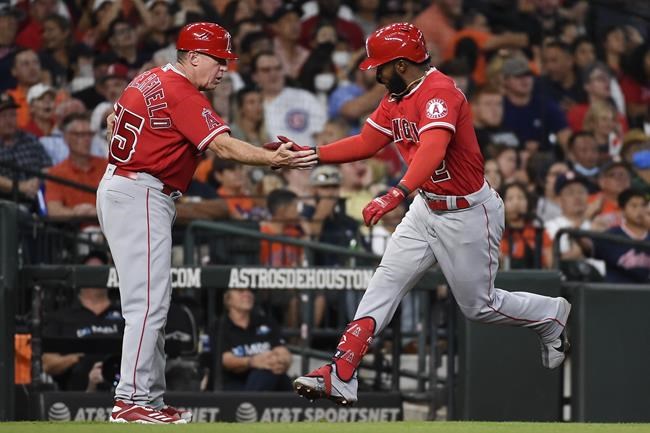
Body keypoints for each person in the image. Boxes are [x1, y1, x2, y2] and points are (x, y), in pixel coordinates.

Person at [289, 23, 571, 406]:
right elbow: (367, 142)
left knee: (479, 307)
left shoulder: (440, 92)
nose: (375, 73)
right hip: (426, 207)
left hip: (468, 212)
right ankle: (341, 373)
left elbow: (433, 149)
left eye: (381, 66)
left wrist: (395, 193)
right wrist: (312, 154)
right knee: (384, 283)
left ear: (402, 64)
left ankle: (549, 314)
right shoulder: (397, 95)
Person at [97, 22, 317, 424]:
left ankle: (147, 399)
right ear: (194, 57)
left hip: (127, 185)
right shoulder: (181, 90)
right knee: (147, 304)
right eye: (218, 60)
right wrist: (272, 159)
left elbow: (113, 122)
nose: (224, 69)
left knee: (153, 303)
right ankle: (129, 399)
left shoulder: (150, 77)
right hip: (140, 191)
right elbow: (221, 145)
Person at [42, 251, 124, 392]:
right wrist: (77, 358)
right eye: (91, 270)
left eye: (100, 269)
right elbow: (47, 364)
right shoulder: (62, 316)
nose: (96, 275)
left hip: (122, 386)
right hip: (76, 395)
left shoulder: (125, 313)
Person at [216, 288, 292, 391]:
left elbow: (283, 351)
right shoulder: (219, 326)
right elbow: (225, 360)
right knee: (263, 373)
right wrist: (252, 361)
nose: (247, 294)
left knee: (277, 375)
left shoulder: (266, 322)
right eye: (240, 291)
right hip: (235, 383)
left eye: (250, 291)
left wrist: (281, 361)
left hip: (271, 378)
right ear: (227, 299)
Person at [591, 188, 650, 283]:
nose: (639, 210)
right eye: (634, 206)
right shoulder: (610, 236)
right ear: (622, 210)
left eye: (643, 205)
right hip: (616, 293)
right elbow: (588, 250)